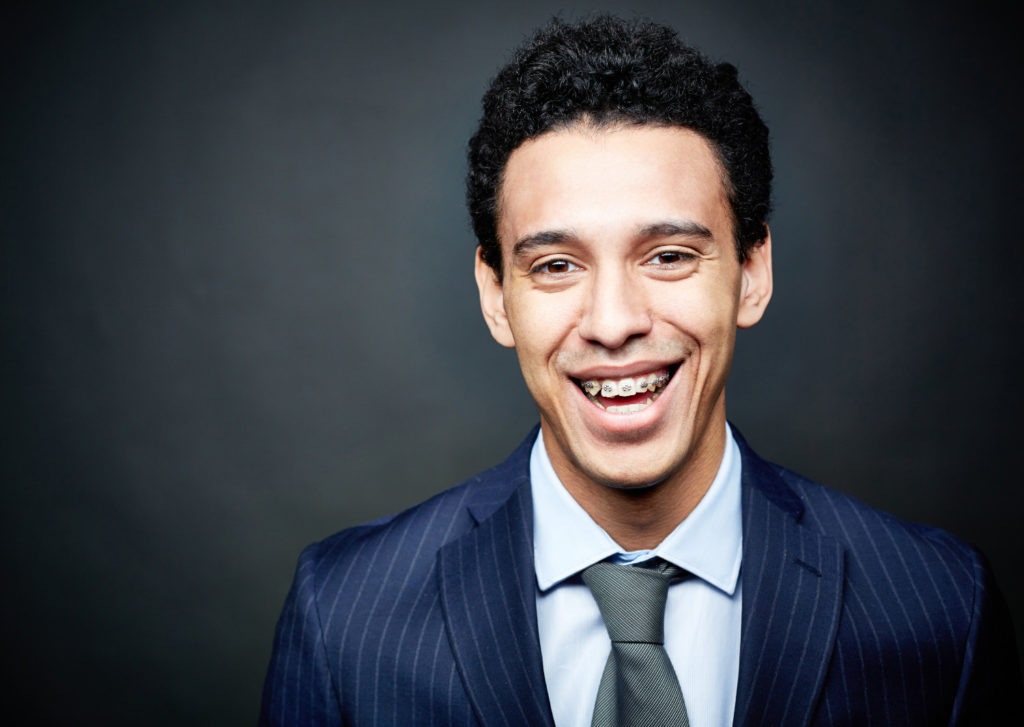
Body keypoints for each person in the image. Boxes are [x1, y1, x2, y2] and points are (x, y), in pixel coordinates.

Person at [259, 15, 1021, 726]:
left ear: (752, 271)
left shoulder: (939, 611)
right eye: (556, 265)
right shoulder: (346, 617)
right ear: (496, 296)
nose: (614, 321)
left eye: (668, 256)